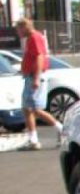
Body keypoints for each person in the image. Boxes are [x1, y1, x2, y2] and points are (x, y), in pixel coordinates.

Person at [15, 18, 62, 151]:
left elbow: (39, 57)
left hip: (34, 76)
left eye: (18, 29)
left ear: (24, 27)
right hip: (31, 75)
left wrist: (36, 77)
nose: (18, 32)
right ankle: (34, 139)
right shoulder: (33, 38)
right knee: (28, 109)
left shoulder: (34, 38)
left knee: (33, 109)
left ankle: (60, 130)